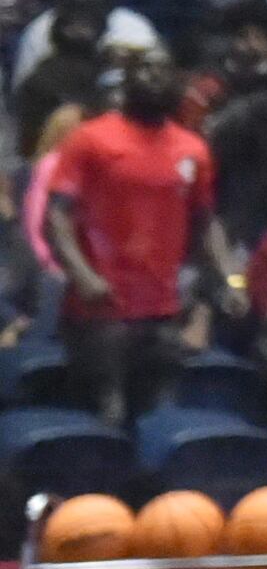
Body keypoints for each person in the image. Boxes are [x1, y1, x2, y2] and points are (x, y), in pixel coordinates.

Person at [41, 41, 236, 429]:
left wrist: (230, 278)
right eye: (145, 69)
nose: (155, 79)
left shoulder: (192, 149)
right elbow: (56, 218)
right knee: (105, 413)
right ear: (127, 80)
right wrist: (83, 276)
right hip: (100, 308)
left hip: (163, 307)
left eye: (164, 71)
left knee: (158, 414)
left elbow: (205, 221)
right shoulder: (90, 139)